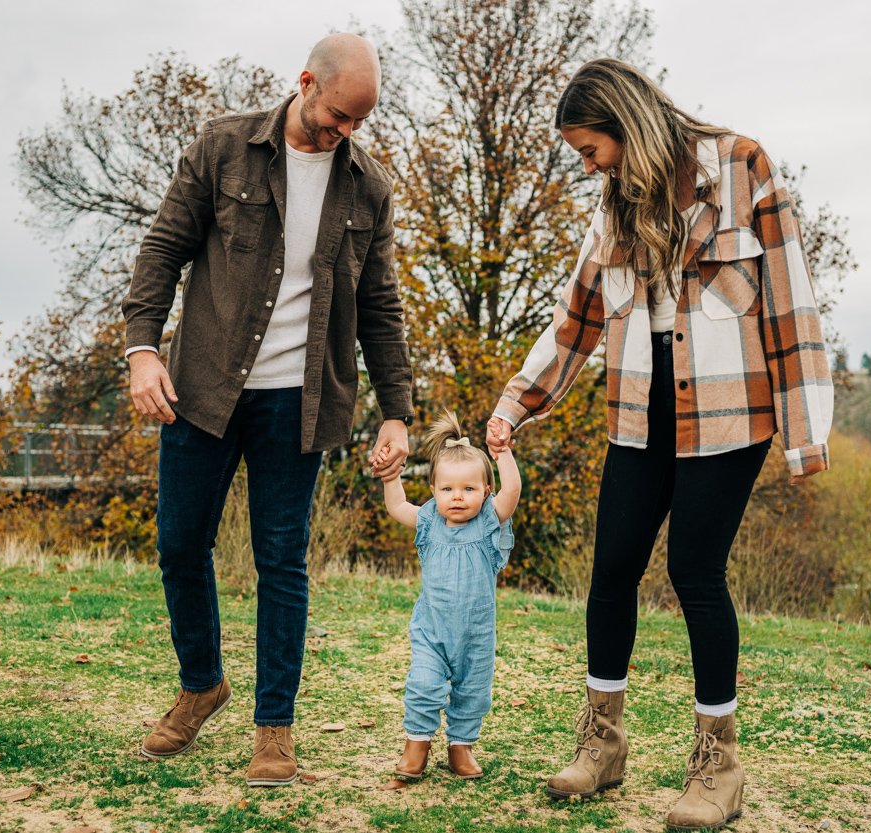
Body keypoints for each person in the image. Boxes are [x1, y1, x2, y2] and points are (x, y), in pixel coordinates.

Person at [486, 58, 833, 831]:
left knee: (693, 572)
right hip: (641, 411)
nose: (587, 166)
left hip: (729, 415)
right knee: (610, 568)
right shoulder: (614, 206)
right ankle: (603, 744)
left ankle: (719, 766)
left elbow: (790, 305)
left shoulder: (743, 167)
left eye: (589, 149)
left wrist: (806, 435)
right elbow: (575, 319)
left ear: (625, 123)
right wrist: (517, 401)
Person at [121, 32, 414, 787]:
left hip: (301, 401)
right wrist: (142, 349)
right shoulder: (223, 147)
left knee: (282, 563)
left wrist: (396, 411)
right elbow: (162, 250)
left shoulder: (369, 188)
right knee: (181, 545)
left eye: (359, 123)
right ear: (307, 81)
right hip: (204, 386)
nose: (345, 133)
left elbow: (381, 305)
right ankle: (200, 684)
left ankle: (274, 732)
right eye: (337, 117)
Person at [373, 411, 520, 790]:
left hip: (476, 634)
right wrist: (391, 477)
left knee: (473, 693)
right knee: (423, 684)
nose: (457, 496)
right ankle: (416, 745)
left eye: (469, 489)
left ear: (486, 492)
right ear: (434, 491)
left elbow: (513, 493)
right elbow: (396, 506)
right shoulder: (429, 522)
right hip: (432, 630)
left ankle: (461, 747)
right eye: (447, 489)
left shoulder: (489, 523)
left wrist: (502, 453)